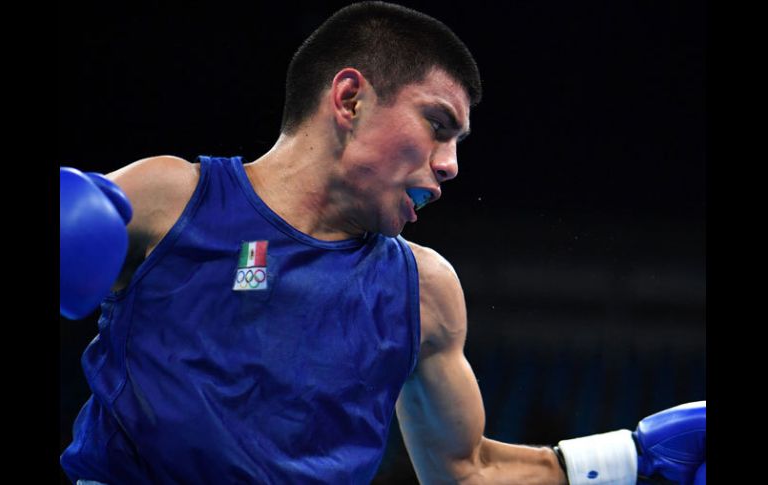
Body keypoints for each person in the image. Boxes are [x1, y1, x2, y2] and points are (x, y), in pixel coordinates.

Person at [60, 2, 705, 484]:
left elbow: (465, 469)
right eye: (437, 125)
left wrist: (634, 458)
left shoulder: (422, 291)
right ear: (349, 99)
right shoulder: (171, 199)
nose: (450, 164)